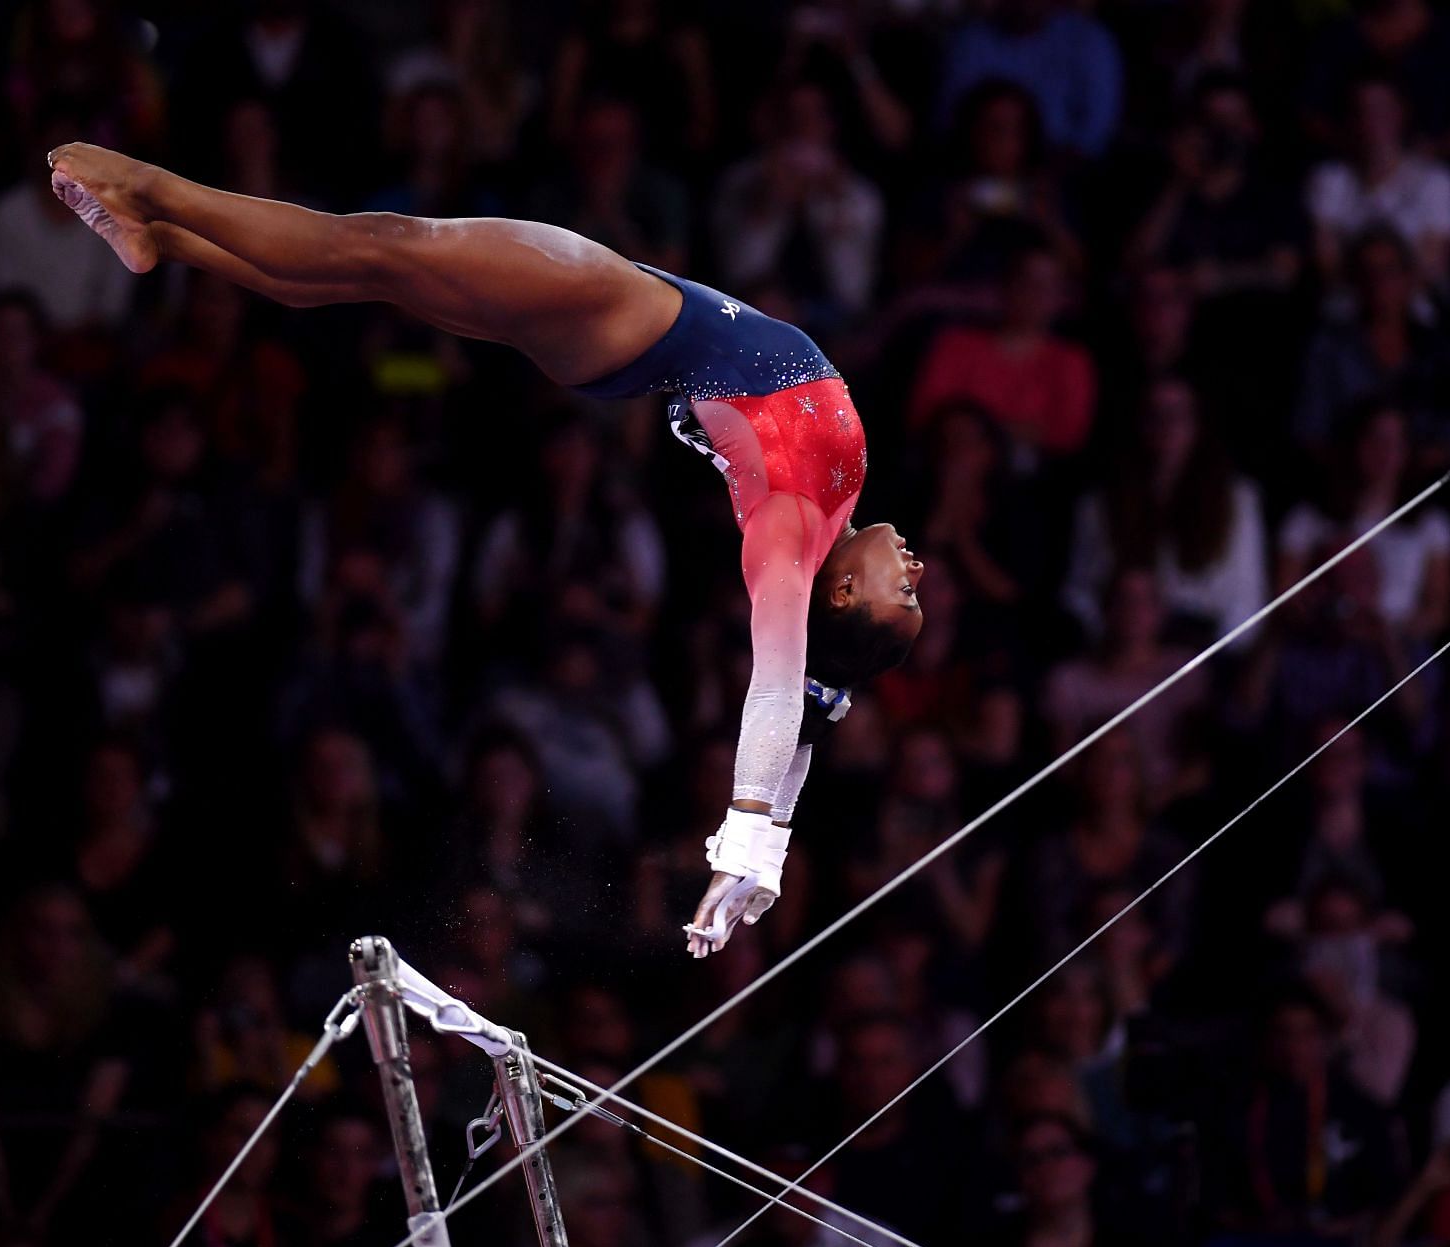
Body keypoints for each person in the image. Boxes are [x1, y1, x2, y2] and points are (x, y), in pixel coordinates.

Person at [45, 142, 928, 958]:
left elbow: (777, 687)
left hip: (616, 307)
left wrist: (742, 837)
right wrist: (768, 851)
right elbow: (813, 701)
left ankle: (148, 188)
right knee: (371, 272)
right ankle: (163, 236)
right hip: (613, 338)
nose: (918, 572)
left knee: (381, 245)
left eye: (906, 595)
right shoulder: (834, 510)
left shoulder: (792, 525)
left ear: (844, 594)